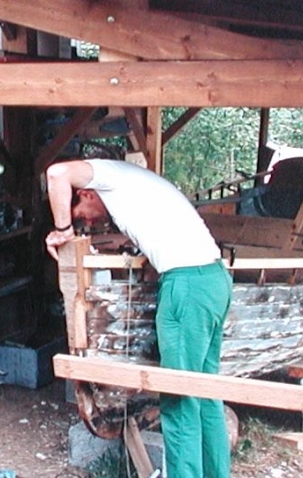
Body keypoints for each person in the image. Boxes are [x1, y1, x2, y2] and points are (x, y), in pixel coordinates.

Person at [44, 158, 233, 478]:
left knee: (179, 400)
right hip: (214, 280)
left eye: (79, 214)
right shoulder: (134, 182)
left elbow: (57, 173)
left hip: (187, 286)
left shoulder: (106, 178)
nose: (86, 222)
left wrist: (62, 231)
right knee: (206, 393)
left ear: (86, 193)